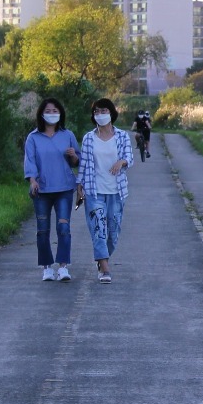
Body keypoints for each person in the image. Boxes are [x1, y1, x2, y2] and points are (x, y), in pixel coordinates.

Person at [75, 98, 134, 283]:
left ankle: (103, 259)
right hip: (94, 191)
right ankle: (105, 268)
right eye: (97, 112)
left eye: (104, 111)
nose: (100, 115)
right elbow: (83, 165)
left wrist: (121, 162)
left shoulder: (122, 136)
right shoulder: (88, 138)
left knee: (113, 230)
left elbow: (129, 158)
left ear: (111, 113)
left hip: (116, 191)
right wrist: (79, 186)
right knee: (98, 228)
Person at [23, 98, 80, 282]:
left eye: (56, 110)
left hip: (64, 188)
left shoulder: (68, 135)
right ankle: (47, 267)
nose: (52, 113)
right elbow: (29, 161)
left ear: (61, 113)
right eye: (48, 110)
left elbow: (78, 161)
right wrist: (32, 180)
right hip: (42, 190)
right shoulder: (33, 137)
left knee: (63, 227)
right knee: (43, 229)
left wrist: (73, 156)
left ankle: (63, 266)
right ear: (41, 113)